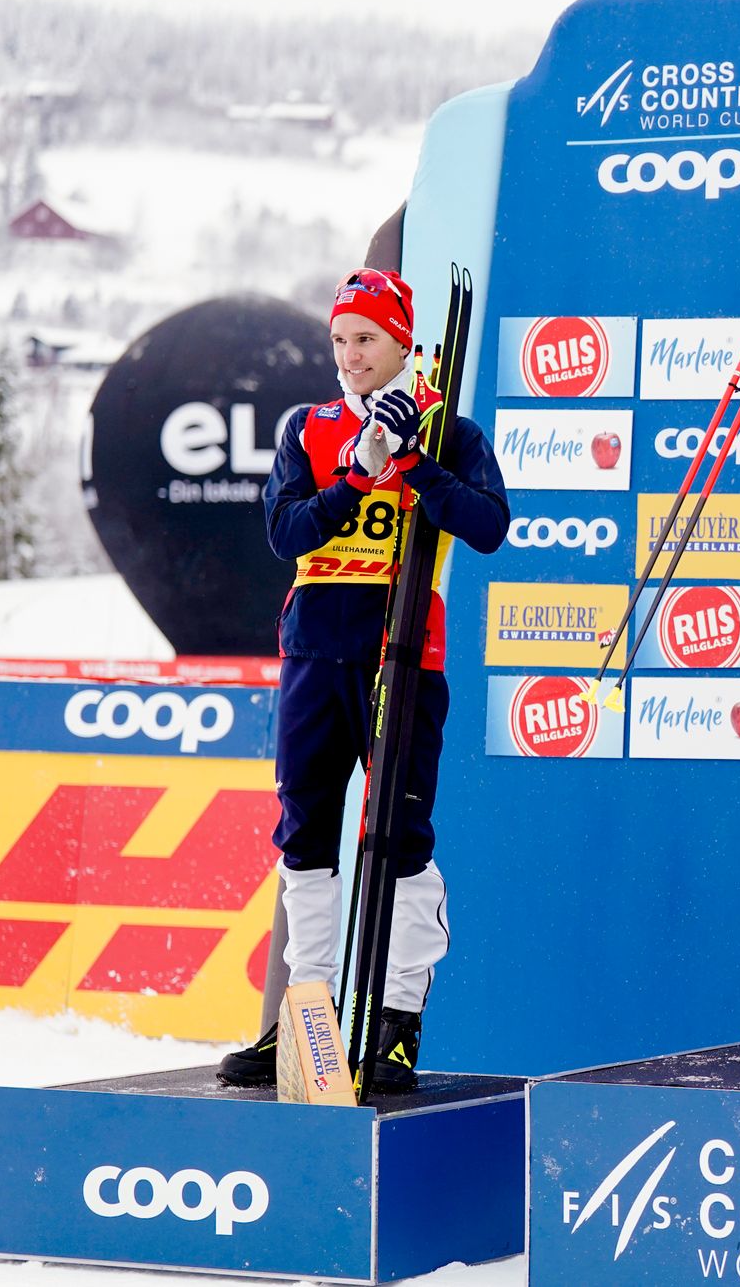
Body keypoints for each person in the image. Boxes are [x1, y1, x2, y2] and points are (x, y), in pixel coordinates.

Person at [218, 268, 509, 1092]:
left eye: (367, 340)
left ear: (403, 344)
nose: (351, 356)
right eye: (340, 340)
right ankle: (303, 1019)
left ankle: (396, 1025)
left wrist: (415, 463)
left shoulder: (449, 430)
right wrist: (354, 473)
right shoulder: (309, 427)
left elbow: (488, 525)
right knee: (306, 838)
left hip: (404, 653)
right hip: (315, 650)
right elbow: (284, 532)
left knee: (399, 841)